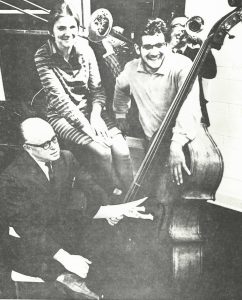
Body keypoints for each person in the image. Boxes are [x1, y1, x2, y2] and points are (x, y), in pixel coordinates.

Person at [0, 117, 151, 299]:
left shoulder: (66, 158)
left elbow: (91, 187)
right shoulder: (12, 178)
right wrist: (65, 258)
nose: (53, 146)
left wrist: (112, 210)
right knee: (81, 270)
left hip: (62, 231)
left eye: (54, 139)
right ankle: (68, 280)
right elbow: (28, 229)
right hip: (33, 244)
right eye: (45, 145)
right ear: (28, 147)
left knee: (116, 251)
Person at [34, 1, 134, 196]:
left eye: (72, 27)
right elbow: (60, 101)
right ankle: (112, 194)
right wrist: (89, 128)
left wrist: (95, 116)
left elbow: (97, 90)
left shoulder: (85, 48)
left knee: (122, 151)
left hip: (90, 111)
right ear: (51, 30)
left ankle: (134, 194)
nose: (68, 33)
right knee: (103, 151)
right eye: (61, 28)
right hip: (61, 117)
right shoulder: (42, 55)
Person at [113, 18, 201, 187]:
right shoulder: (131, 69)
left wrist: (176, 144)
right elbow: (120, 87)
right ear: (137, 48)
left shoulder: (182, 65)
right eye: (147, 47)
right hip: (153, 142)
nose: (154, 52)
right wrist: (120, 113)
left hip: (182, 143)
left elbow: (188, 105)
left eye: (159, 45)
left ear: (167, 45)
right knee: (152, 189)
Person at [168, 16, 217, 127]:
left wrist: (204, 46)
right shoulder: (161, 51)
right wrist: (171, 45)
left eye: (186, 25)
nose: (183, 29)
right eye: (177, 26)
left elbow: (211, 73)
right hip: (166, 111)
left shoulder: (196, 53)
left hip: (193, 111)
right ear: (169, 30)